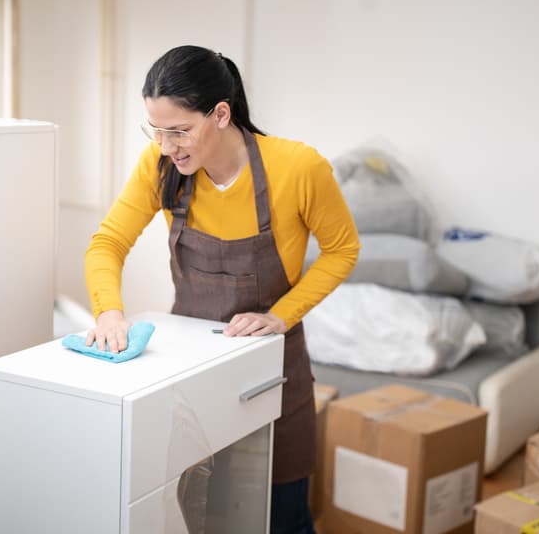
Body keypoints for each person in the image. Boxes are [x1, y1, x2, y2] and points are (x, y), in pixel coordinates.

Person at [83, 45, 360, 533]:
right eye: (157, 130)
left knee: (284, 519)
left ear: (221, 114)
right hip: (195, 377)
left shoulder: (297, 168)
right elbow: (107, 243)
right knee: (203, 515)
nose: (167, 146)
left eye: (179, 130)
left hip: (273, 372)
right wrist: (109, 313)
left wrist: (282, 315)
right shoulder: (162, 166)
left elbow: (343, 250)